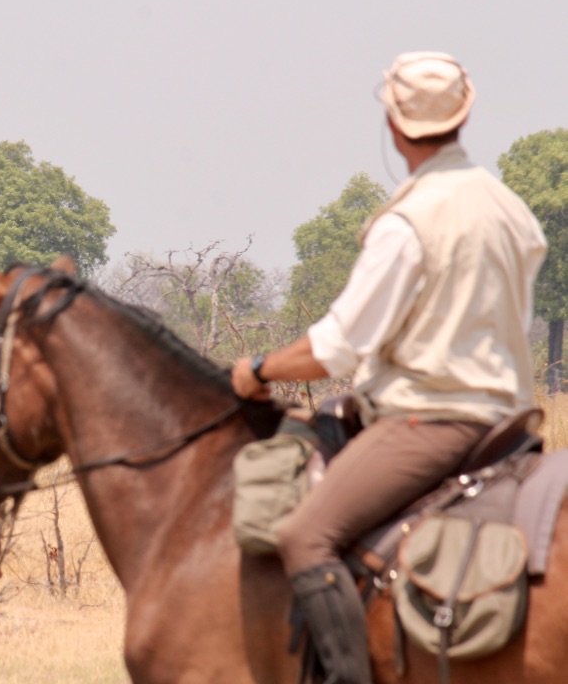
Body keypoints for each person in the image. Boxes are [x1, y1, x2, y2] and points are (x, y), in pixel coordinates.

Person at [232, 51, 547, 683]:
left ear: (394, 123)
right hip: (510, 424)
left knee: (304, 538)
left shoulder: (408, 222)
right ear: (464, 115)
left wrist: (260, 369)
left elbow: (335, 349)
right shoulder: (511, 209)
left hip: (430, 426)